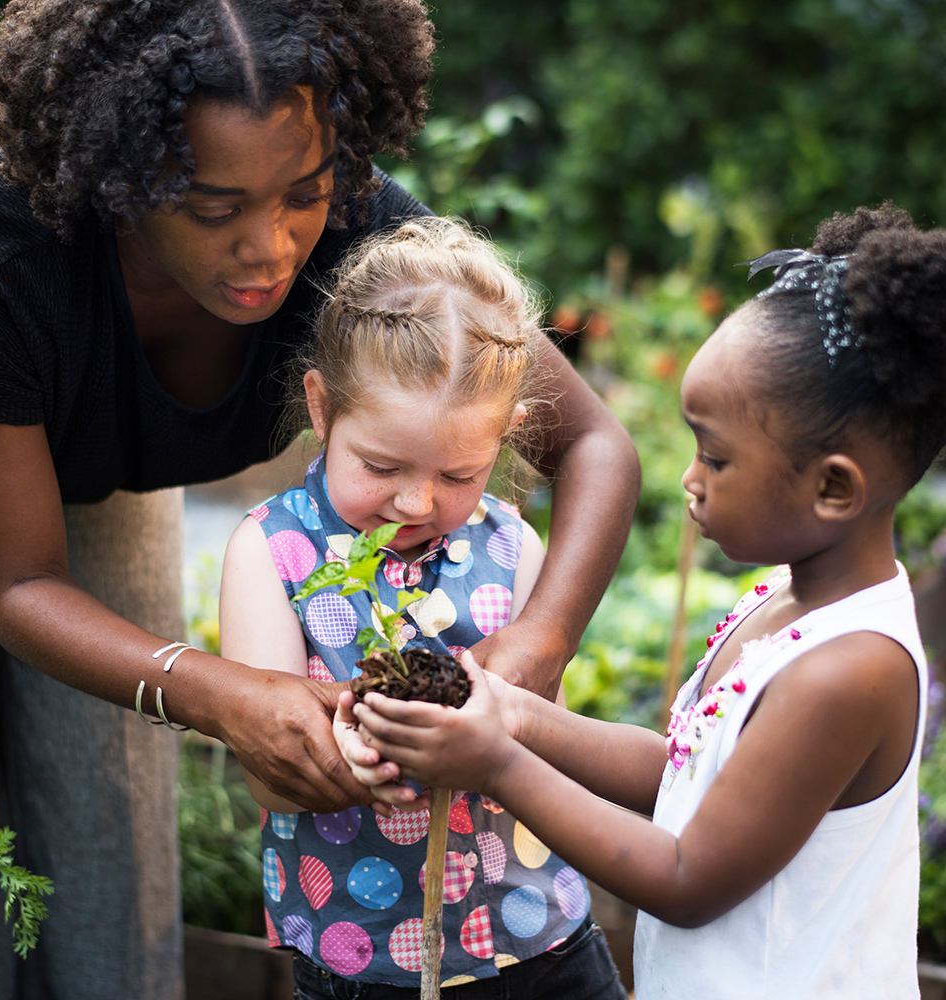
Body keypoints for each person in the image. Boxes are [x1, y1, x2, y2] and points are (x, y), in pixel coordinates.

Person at [0, 2, 640, 998]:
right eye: (214, 209)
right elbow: (17, 585)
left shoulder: (360, 228)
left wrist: (533, 649)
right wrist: (220, 690)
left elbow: (597, 447)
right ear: (119, 181)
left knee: (107, 816)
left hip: (107, 467)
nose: (270, 248)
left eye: (300, 196)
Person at [345, 203, 946, 998]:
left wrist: (496, 762)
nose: (689, 479)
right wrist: (518, 714)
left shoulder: (848, 670)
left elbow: (687, 877)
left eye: (716, 457)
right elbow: (683, 776)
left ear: (834, 487)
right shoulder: (785, 604)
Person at [219, 216, 629, 999]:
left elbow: (549, 737)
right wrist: (350, 754)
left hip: (538, 937)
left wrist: (501, 732)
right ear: (321, 406)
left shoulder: (513, 550)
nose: (414, 501)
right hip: (366, 955)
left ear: (507, 438)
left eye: (460, 474)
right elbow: (269, 775)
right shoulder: (272, 552)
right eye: (380, 465)